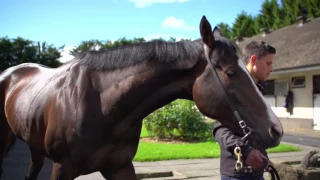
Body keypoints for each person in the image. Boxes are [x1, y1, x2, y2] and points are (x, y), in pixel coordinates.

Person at [213, 41, 277, 180]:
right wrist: (245, 152)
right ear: (254, 60)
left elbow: (255, 133)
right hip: (237, 173)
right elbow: (220, 131)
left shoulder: (257, 91)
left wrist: (264, 158)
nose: (271, 69)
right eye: (268, 63)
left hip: (257, 172)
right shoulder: (232, 90)